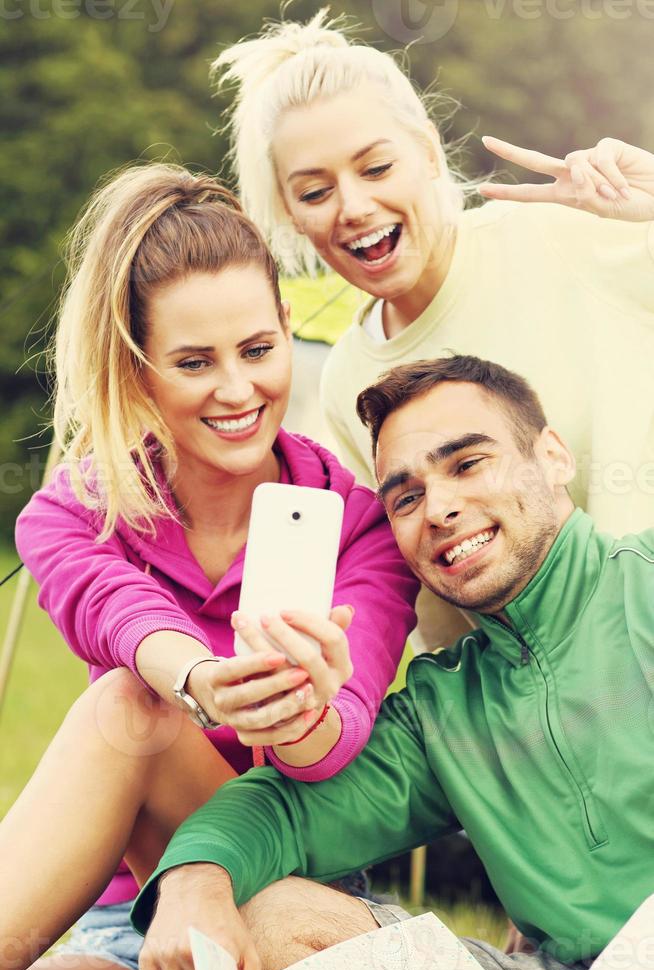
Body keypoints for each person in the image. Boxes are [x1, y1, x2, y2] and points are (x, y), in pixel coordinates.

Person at [0, 163, 418, 970]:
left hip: (291, 887)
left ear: (287, 326)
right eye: (194, 363)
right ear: (137, 369)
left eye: (259, 350)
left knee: (132, 709)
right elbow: (112, 607)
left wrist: (304, 709)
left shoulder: (359, 525)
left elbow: (329, 758)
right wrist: (199, 679)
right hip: (136, 913)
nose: (238, 389)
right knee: (138, 700)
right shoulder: (73, 513)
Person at [130, 354, 654, 970]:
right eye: (407, 497)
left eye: (468, 464)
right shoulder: (443, 709)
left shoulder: (641, 585)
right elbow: (286, 813)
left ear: (553, 457)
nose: (438, 510)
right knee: (271, 916)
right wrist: (192, 880)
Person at [212, 9, 654, 650]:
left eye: (375, 168)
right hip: (573, 714)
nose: (354, 207)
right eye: (315, 192)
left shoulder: (564, 235)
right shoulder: (350, 381)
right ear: (290, 213)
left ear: (424, 150)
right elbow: (439, 604)